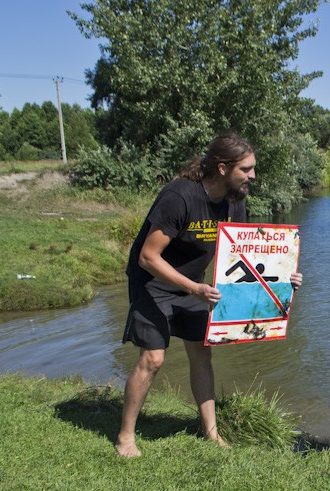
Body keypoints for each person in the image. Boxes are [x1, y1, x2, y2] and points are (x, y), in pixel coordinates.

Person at [116, 132, 303, 457]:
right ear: (221, 168)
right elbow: (148, 257)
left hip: (193, 284)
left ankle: (211, 432)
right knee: (154, 357)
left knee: (202, 352)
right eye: (246, 169)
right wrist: (194, 289)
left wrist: (282, 281)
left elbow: (243, 257)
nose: (253, 176)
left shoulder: (235, 202)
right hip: (152, 281)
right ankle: (125, 438)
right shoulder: (179, 196)